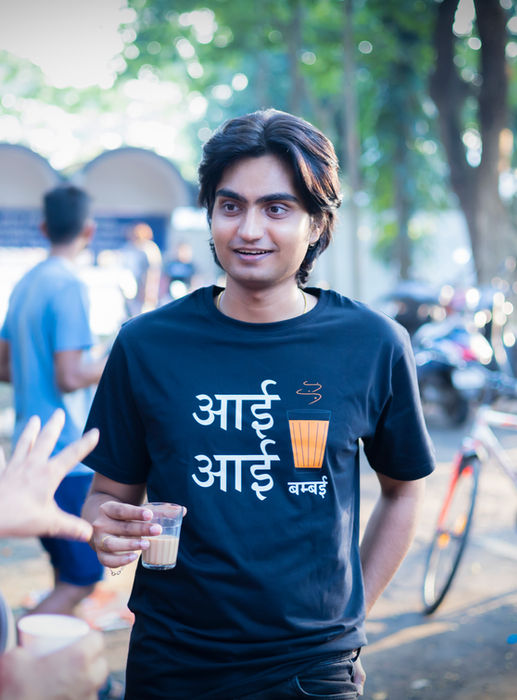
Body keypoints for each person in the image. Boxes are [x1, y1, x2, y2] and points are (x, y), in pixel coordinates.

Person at [82, 109, 436, 699]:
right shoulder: (146, 345)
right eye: (231, 206)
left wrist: (351, 624)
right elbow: (107, 496)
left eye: (276, 208)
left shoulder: (373, 344)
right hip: (172, 662)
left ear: (317, 223)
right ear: (210, 214)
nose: (249, 230)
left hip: (312, 671)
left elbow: (403, 491)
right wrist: (105, 527)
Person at [0, 184, 106, 617]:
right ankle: (15, 651)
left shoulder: (25, 283)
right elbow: (71, 375)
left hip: (29, 454)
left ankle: (53, 656)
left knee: (65, 573)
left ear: (44, 228)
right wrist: (115, 360)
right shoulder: (69, 285)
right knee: (82, 580)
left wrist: (34, 373)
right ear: (89, 230)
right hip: (65, 458)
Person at [0, 409, 109, 700]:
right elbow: (69, 381)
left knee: (71, 578)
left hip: (53, 472)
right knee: (80, 580)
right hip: (72, 473)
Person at [120, 222, 162, 316]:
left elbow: (153, 272)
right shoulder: (129, 247)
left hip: (145, 289)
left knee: (144, 314)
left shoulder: (149, 249)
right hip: (131, 289)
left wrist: (149, 291)